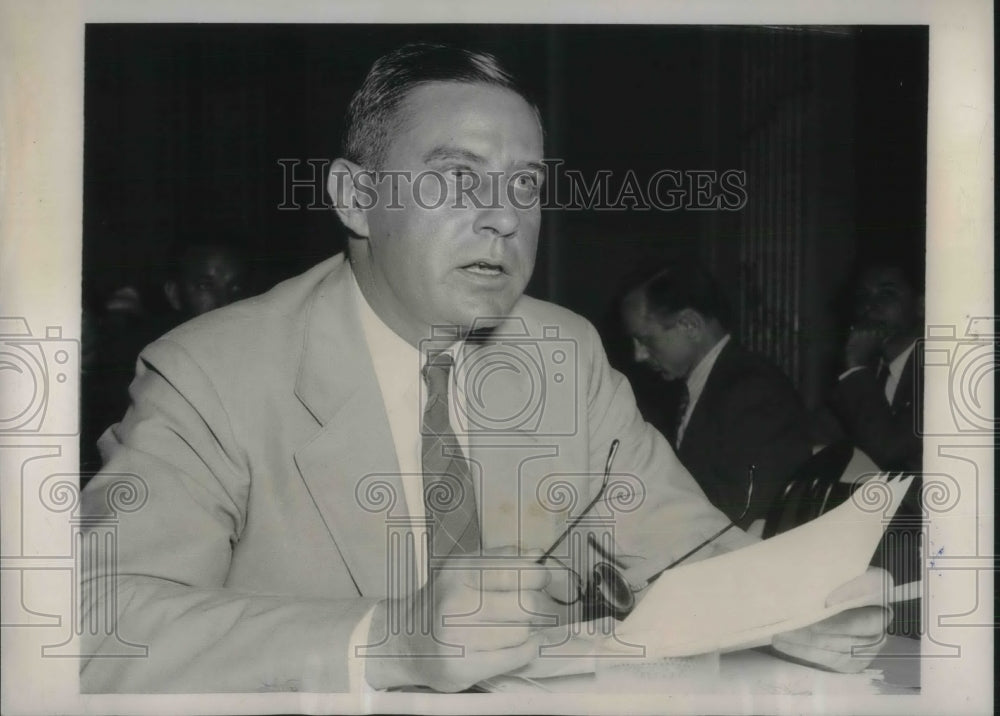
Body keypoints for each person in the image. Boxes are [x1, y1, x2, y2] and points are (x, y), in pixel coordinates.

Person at [81, 43, 890, 693]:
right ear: (356, 198)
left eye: (526, 185)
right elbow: (94, 621)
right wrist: (390, 640)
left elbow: (681, 544)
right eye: (456, 177)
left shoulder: (561, 351)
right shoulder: (212, 370)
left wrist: (784, 607)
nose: (505, 217)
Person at [620, 262, 812, 527]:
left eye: (646, 340)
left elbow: (741, 510)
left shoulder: (752, 390)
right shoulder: (706, 384)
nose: (638, 355)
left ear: (691, 325)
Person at [829, 259, 924, 473]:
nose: (870, 306)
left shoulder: (938, 372)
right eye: (863, 297)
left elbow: (889, 451)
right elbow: (821, 432)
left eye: (886, 294)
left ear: (921, 306)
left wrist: (855, 367)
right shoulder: (869, 372)